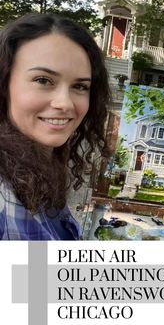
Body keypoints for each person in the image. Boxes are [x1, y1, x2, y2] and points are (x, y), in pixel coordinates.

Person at [0, 13, 110, 240]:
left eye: (79, 86)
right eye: (43, 80)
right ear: (4, 83)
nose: (65, 103)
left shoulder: (36, 166)